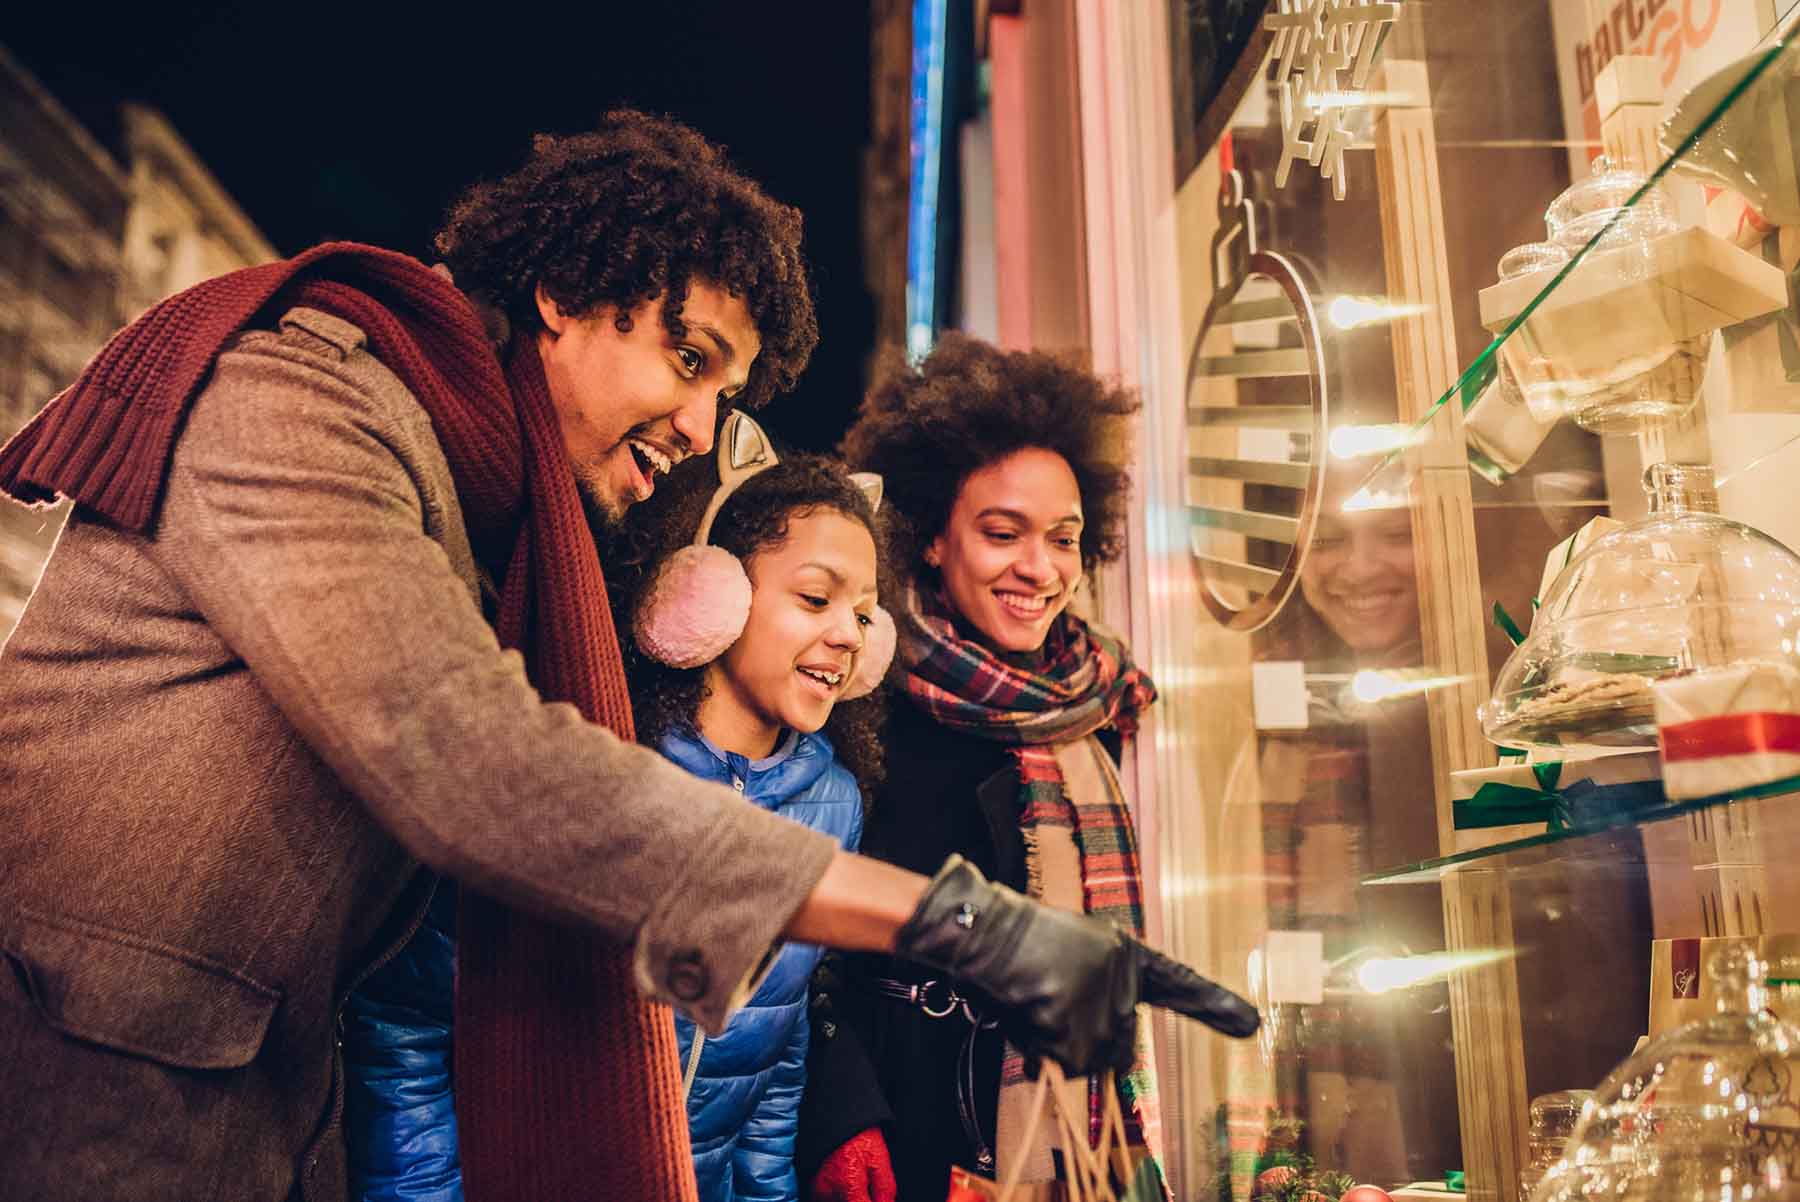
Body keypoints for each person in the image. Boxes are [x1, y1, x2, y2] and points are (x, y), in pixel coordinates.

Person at [0, 111, 1256, 1202]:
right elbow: (472, 760)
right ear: (560, 294)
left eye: (728, 386)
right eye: (689, 356)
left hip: (248, 1098)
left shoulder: (491, 499)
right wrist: (957, 924)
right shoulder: (306, 400)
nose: (703, 421)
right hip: (78, 1084)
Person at [342, 418, 895, 1202]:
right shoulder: (591, 764)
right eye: (814, 599)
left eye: (866, 617)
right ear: (709, 591)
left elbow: (778, 1059)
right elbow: (410, 1019)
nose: (847, 635)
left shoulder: (834, 802)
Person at [801, 334, 1197, 1201]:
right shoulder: (862, 694)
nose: (1039, 568)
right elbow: (799, 930)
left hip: (1088, 1140)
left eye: (1064, 538)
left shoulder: (1099, 698)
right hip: (915, 1137)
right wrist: (842, 1109)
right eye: (1001, 533)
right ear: (933, 537)